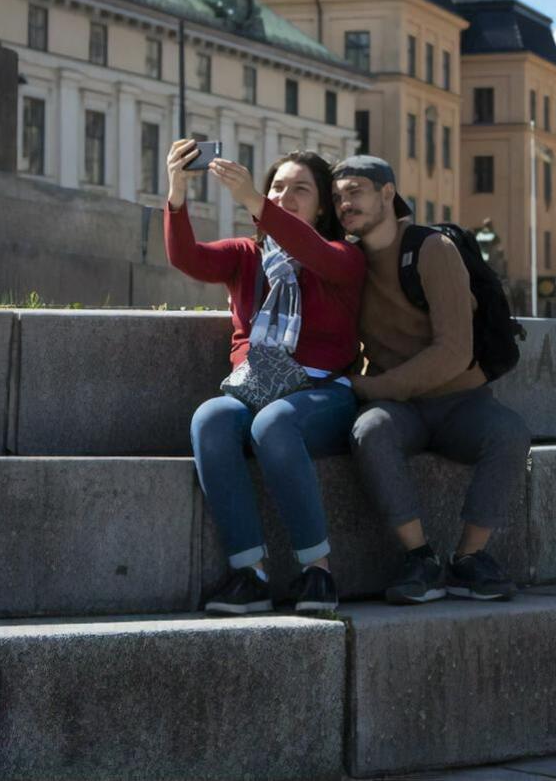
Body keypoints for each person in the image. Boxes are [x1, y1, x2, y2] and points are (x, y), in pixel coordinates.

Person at [165, 142, 364, 615]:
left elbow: (311, 250)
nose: (284, 197)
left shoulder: (343, 256)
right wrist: (176, 193)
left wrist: (256, 201)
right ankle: (249, 575)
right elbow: (187, 258)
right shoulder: (246, 254)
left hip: (322, 392)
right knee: (211, 419)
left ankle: (318, 572)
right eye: (277, 187)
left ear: (322, 207)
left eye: (300, 190)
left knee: (274, 423)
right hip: (254, 386)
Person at [333, 157, 531, 604]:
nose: (345, 203)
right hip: (402, 411)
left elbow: (453, 351)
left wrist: (368, 388)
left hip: (460, 401)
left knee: (510, 433)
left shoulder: (431, 249)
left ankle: (470, 559)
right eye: (338, 196)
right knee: (370, 430)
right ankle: (419, 557)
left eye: (356, 190)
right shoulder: (348, 261)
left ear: (387, 193)